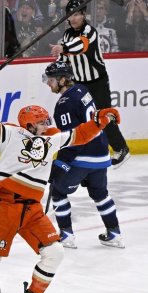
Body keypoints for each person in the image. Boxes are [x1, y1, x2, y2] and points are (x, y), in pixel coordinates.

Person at [0, 72, 121, 293]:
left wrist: (99, 120)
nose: (46, 124)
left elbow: (80, 135)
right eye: (41, 122)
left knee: (55, 252)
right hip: (6, 206)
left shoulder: (51, 138)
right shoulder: (11, 135)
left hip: (32, 210)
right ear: (28, 125)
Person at [44, 61, 124, 249]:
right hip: (101, 154)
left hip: (82, 157)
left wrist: (61, 163)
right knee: (100, 194)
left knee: (58, 191)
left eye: (51, 80)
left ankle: (66, 236)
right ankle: (114, 233)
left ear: (63, 80)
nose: (49, 83)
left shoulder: (64, 103)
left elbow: (72, 139)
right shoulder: (82, 89)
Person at [50, 0, 130, 168]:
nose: (73, 18)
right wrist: (55, 68)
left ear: (84, 15)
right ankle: (84, 151)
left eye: (77, 14)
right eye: (71, 15)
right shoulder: (66, 35)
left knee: (103, 116)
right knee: (81, 120)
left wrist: (63, 48)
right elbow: (64, 59)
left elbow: (81, 46)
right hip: (79, 84)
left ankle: (121, 148)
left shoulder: (90, 31)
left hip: (97, 82)